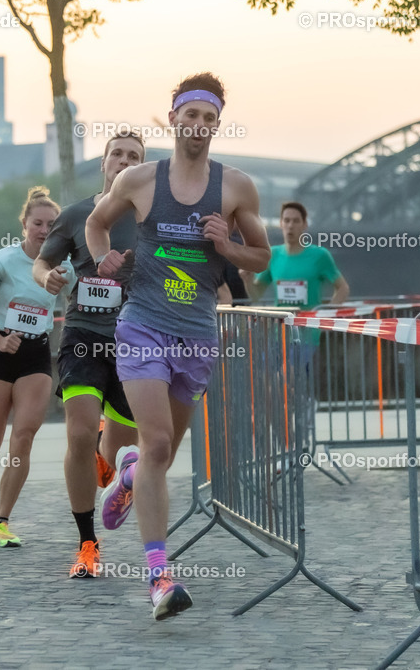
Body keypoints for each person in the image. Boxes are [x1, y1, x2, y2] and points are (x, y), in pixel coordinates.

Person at [85, 73, 271, 620]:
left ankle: (128, 476)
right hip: (142, 325)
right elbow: (97, 225)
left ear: (217, 125)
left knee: (158, 457)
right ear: (173, 119)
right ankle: (159, 577)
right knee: (160, 442)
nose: (198, 127)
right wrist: (103, 259)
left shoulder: (235, 187)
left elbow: (261, 259)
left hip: (196, 335)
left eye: (208, 119)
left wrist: (226, 244)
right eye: (189, 116)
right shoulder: (141, 181)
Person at [34, 130, 146, 578]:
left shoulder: (152, 219)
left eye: (133, 156)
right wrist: (48, 280)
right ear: (103, 162)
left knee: (123, 457)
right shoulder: (79, 214)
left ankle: (110, 466)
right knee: (79, 434)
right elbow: (42, 263)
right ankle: (87, 544)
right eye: (116, 153)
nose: (123, 160)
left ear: (141, 167)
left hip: (137, 341)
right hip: (82, 333)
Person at [0, 186, 76, 548]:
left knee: (24, 436)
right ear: (24, 225)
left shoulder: (65, 266)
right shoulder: (3, 260)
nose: (44, 230)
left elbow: (89, 292)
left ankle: (2, 520)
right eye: (37, 223)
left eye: (51, 224)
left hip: (37, 356)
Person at [241, 201, 348, 311]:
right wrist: (248, 280)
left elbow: (343, 288)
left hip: (309, 327)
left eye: (296, 221)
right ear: (281, 223)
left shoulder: (320, 255)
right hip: (281, 326)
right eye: (287, 220)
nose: (290, 226)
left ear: (304, 224)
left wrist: (326, 314)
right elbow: (256, 295)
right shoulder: (273, 255)